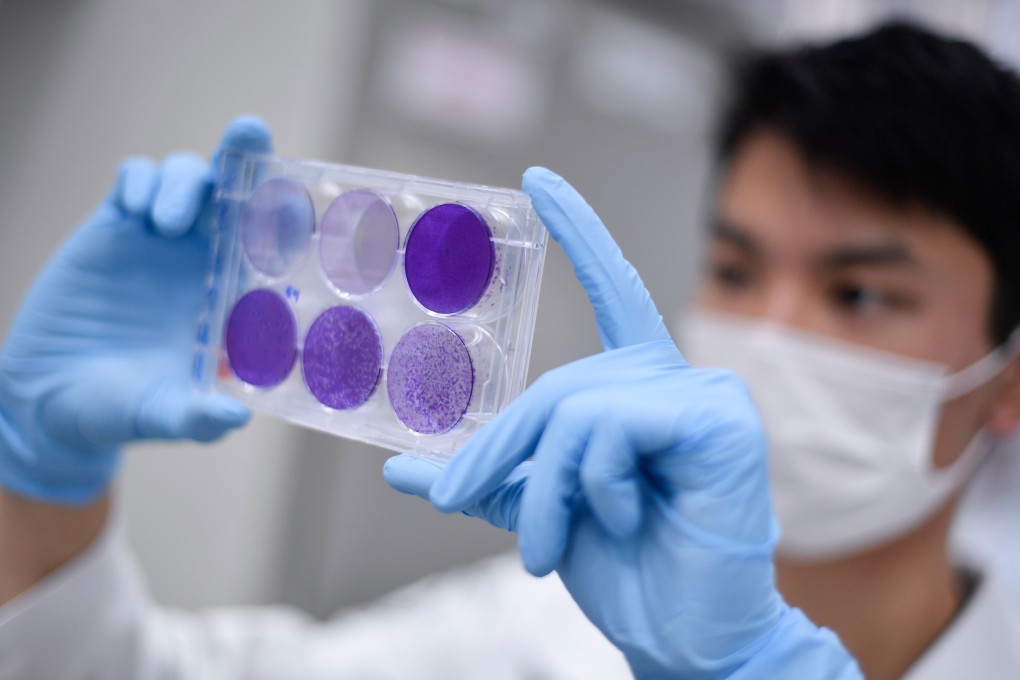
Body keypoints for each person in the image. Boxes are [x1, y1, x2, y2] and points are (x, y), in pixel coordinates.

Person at [0, 18, 1014, 679]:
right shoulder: (543, 631)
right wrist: (41, 479)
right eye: (736, 270)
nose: (773, 332)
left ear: (1009, 383)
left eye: (859, 292)